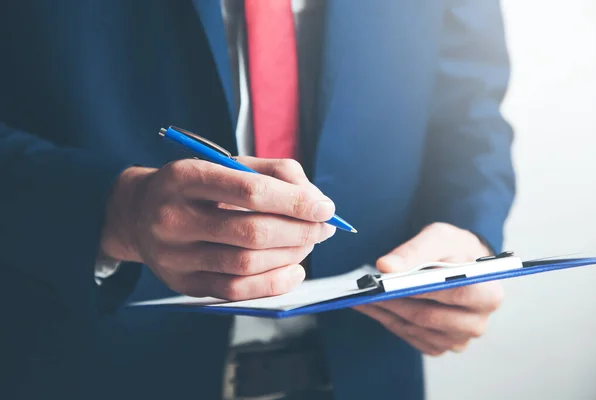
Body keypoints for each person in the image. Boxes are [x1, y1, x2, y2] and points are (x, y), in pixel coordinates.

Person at [0, 1, 515, 399]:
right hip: (86, 365)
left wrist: (468, 232)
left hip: (368, 367)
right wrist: (113, 210)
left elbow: (468, 104)